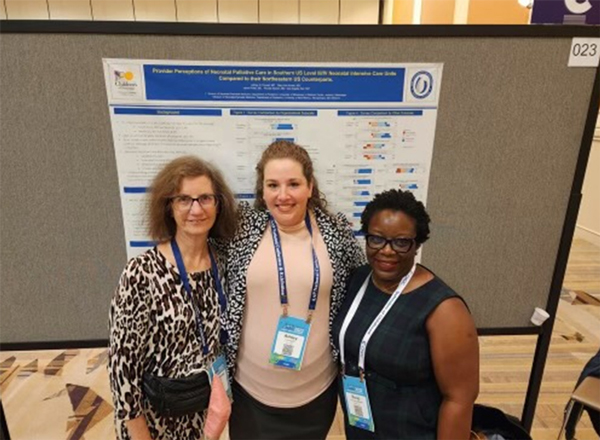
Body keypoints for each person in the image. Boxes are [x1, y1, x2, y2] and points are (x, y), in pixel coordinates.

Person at [225, 140, 366, 440]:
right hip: (250, 394)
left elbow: (362, 284)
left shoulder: (335, 231)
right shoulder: (240, 229)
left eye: (293, 184)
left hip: (315, 394)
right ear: (261, 190)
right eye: (273, 185)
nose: (283, 195)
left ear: (310, 187)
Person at [332, 188, 479, 440]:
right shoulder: (358, 280)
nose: (387, 251)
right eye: (376, 239)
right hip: (361, 427)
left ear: (417, 243)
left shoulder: (444, 310)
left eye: (401, 242)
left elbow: (459, 399)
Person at [108, 156, 237, 440]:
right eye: (184, 199)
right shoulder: (141, 273)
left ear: (218, 203)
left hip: (203, 413)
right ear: (169, 206)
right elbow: (122, 368)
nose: (196, 209)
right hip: (155, 421)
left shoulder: (224, 264)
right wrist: (140, 434)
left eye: (205, 198)